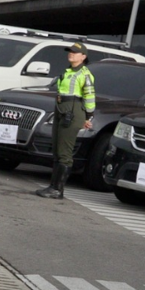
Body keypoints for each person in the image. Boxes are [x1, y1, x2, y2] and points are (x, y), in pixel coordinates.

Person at [35, 43, 95, 199]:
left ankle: (58, 190)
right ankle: (52, 186)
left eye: (75, 52)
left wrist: (89, 117)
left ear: (83, 57)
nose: (71, 54)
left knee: (64, 152)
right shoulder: (68, 71)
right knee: (57, 150)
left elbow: (89, 96)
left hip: (73, 111)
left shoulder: (85, 74)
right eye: (70, 51)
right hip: (61, 109)